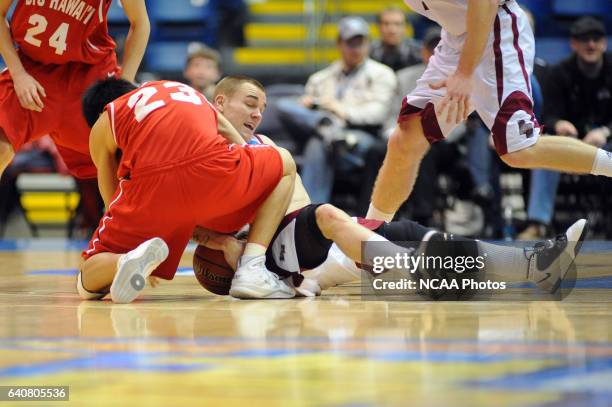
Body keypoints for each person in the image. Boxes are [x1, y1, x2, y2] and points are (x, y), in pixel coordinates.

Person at [194, 75, 587, 298]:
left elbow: (299, 206)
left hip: (305, 247)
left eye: (262, 106)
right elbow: (180, 219)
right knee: (329, 215)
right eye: (249, 103)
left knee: (416, 234)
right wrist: (220, 244)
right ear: (220, 101)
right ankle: (411, 274)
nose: (258, 113)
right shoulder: (199, 151)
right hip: (268, 255)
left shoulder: (265, 146)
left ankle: (535, 266)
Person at [365, 0, 612, 225]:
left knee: (519, 149)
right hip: (457, 40)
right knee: (406, 139)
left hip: (496, 31)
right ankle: (370, 236)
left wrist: (464, 73)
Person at [77, 78, 298, 303]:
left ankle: (124, 260)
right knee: (285, 162)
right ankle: (252, 266)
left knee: (87, 281)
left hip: (150, 183)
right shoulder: (183, 90)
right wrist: (248, 168)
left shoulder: (107, 117)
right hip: (213, 169)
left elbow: (111, 198)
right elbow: (228, 132)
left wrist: (127, 244)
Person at [0, 0, 150, 182]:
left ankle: (119, 209)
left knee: (126, 159)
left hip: (89, 72)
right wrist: (18, 74)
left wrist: (122, 87)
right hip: (33, 70)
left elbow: (140, 23)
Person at [276, 16, 397, 203]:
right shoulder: (321, 78)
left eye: (361, 43)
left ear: (368, 44)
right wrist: (310, 104)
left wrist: (340, 110)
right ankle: (326, 126)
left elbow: (377, 115)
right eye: (351, 43)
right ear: (339, 44)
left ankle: (309, 214)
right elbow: (302, 113)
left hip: (359, 134)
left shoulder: (382, 74)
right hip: (329, 134)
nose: (356, 49)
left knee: (318, 143)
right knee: (284, 105)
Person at [520, 17, 612, 239]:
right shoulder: (558, 73)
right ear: (573, 43)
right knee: (544, 150)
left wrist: (605, 131)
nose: (590, 44)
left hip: (606, 138)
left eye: (596, 39)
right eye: (584, 39)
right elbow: (547, 115)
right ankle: (538, 223)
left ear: (604, 43)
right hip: (572, 139)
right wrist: (559, 124)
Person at [369, 6, 421, 72]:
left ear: (405, 27)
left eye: (397, 24)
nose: (392, 30)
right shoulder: (369, 52)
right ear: (378, 27)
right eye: (386, 24)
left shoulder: (418, 52)